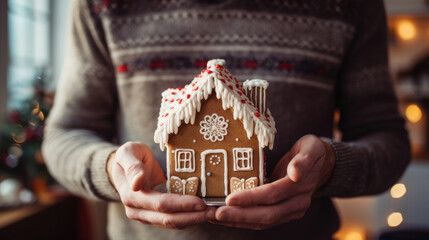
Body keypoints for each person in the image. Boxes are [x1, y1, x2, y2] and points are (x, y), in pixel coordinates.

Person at [42, 0, 410, 239]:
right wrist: (110, 169)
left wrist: (329, 166)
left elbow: (388, 141)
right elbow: (64, 135)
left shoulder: (349, 6)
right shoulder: (101, 5)